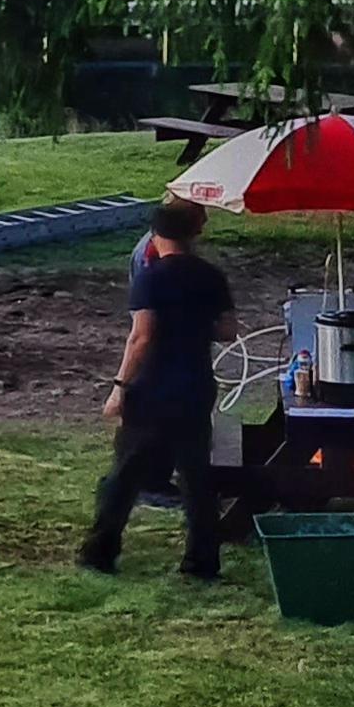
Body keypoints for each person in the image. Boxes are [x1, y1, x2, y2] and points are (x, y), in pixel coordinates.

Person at [85, 196, 233, 579]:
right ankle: (202, 562)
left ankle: (100, 550)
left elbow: (141, 337)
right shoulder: (211, 275)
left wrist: (119, 386)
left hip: (152, 389)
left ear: (157, 235)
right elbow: (228, 330)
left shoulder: (151, 277)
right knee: (196, 477)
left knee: (126, 474)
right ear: (191, 234)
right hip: (196, 386)